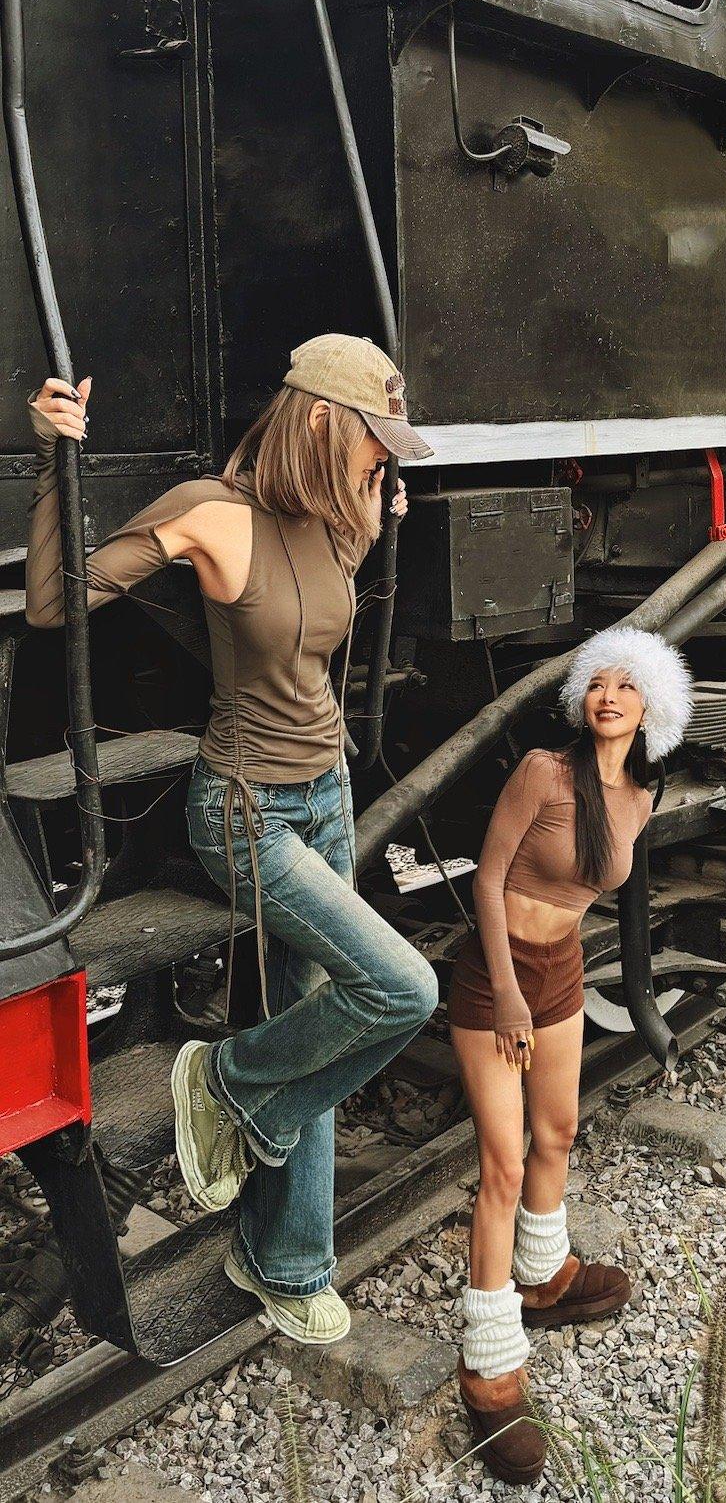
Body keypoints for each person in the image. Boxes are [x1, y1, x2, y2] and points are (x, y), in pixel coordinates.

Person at [24, 333, 440, 1346]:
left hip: (327, 792)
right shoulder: (213, 513)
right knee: (402, 990)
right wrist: (51, 460)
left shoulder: (342, 513)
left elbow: (323, 612)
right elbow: (53, 604)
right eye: (373, 442)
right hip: (246, 810)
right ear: (320, 422)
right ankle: (223, 1084)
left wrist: (375, 505)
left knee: (316, 1014)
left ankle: (285, 1261)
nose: (381, 462)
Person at [447, 624, 694, 1484]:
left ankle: (544, 1277)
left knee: (557, 1133)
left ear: (652, 708)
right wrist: (508, 991)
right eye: (598, 683)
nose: (609, 697)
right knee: (503, 1166)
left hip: (561, 972)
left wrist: (543, 990)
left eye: (627, 686)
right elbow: (487, 878)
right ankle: (488, 1364)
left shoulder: (640, 797)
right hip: (497, 977)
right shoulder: (542, 772)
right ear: (581, 697)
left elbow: (594, 891)